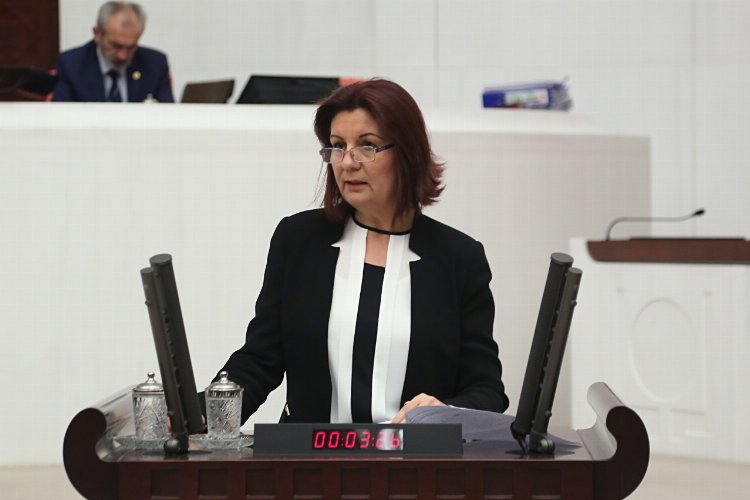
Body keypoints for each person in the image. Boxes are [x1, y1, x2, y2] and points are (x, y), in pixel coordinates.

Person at [210, 78, 509, 424]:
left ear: (408, 153)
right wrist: (197, 419)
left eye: (367, 146)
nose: (347, 162)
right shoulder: (299, 240)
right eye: (338, 146)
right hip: (309, 454)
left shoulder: (458, 258)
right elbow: (259, 361)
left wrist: (442, 413)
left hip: (415, 455)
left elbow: (487, 390)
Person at [51, 2, 174, 102]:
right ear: (97, 34)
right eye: (116, 46)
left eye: (131, 47)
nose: (122, 56)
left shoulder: (155, 65)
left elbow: (169, 116)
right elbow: (61, 116)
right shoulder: (72, 65)